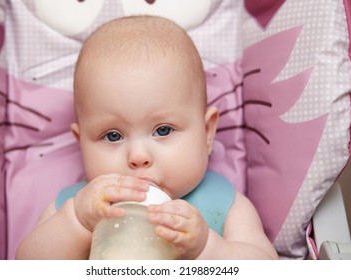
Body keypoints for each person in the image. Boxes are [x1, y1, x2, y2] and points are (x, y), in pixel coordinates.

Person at [15, 15, 278, 260]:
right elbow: (25, 265)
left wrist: (208, 248)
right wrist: (77, 222)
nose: (138, 157)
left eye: (163, 130)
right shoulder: (75, 207)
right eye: (113, 135)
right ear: (81, 142)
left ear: (207, 132)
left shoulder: (226, 203)